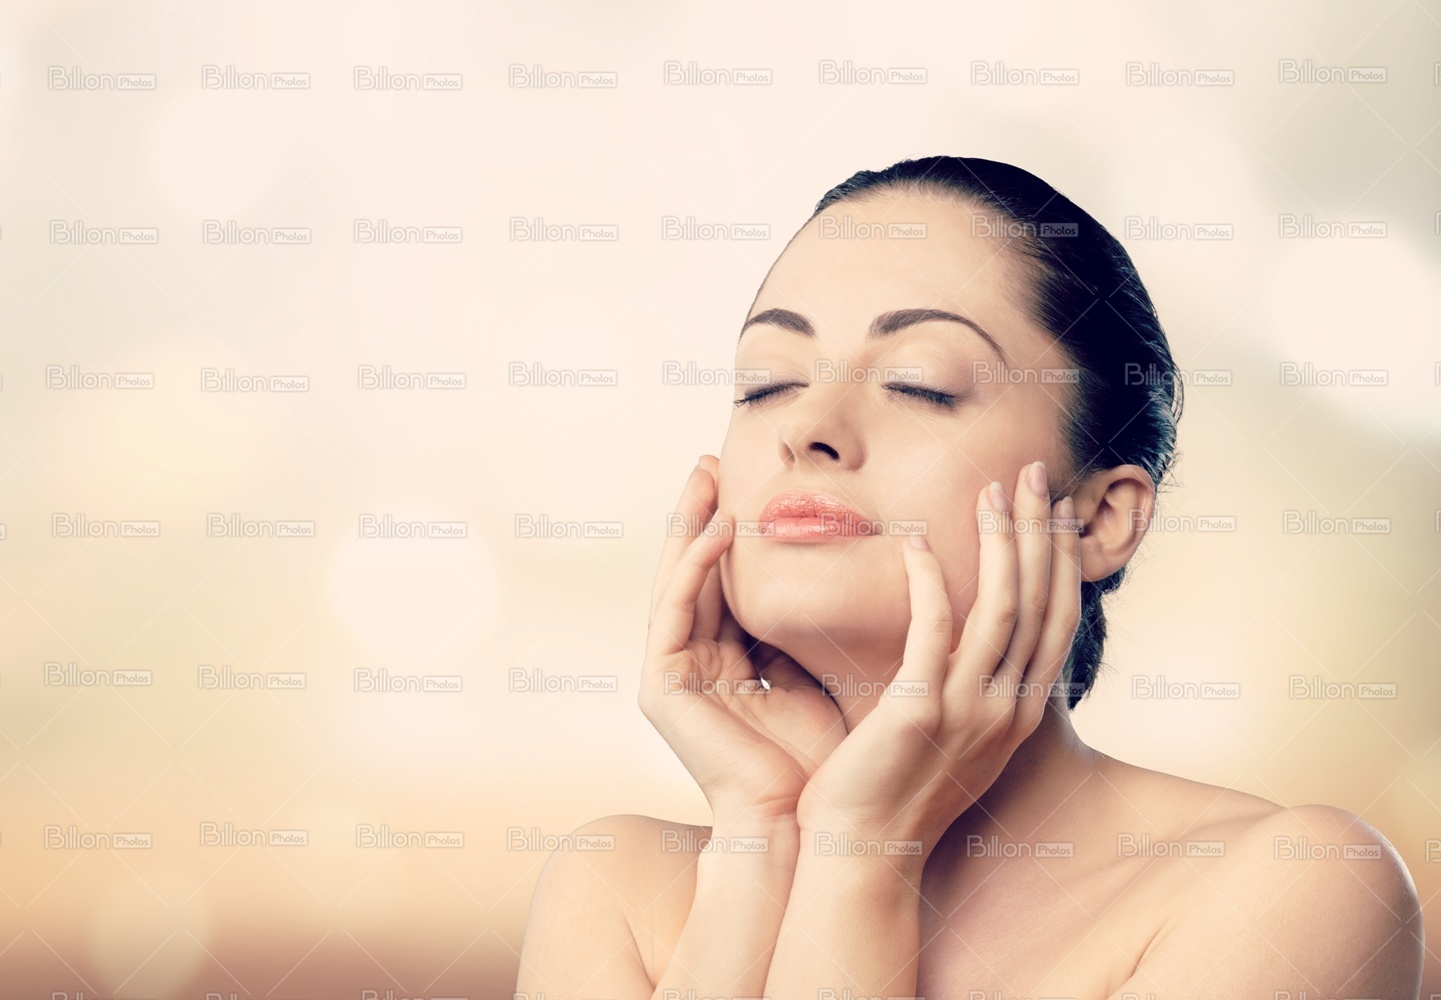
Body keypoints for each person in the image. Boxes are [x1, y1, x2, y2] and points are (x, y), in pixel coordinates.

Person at [515, 156, 1423, 999]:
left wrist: (864, 851)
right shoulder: (615, 890)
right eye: (766, 384)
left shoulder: (1292, 885)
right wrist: (762, 834)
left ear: (1097, 519)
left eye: (920, 384)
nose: (806, 430)